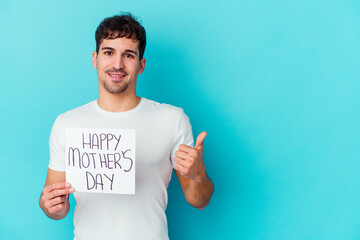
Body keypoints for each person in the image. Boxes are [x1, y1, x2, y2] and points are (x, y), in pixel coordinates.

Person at [39, 12, 214, 240]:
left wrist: (199, 176)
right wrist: (51, 206)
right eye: (109, 52)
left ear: (141, 65)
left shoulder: (172, 119)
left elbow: (198, 200)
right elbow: (55, 207)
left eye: (128, 55)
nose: (117, 64)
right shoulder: (67, 124)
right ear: (95, 59)